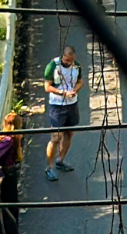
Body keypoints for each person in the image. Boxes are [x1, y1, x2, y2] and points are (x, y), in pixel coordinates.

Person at [44, 45, 82, 180]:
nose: (68, 63)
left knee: (69, 133)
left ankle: (61, 159)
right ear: (62, 56)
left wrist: (75, 90)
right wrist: (62, 92)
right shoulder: (53, 66)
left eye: (70, 60)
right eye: (66, 60)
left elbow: (80, 82)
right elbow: (47, 87)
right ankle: (49, 167)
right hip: (57, 105)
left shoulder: (77, 66)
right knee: (56, 137)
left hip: (72, 104)